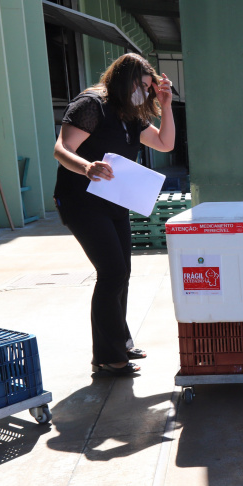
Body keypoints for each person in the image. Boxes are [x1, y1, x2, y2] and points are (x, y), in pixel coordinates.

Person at [53, 53, 174, 375]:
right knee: (112, 273)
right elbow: (62, 149)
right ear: (124, 80)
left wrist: (166, 105)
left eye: (148, 88)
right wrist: (86, 167)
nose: (144, 93)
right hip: (80, 201)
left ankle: (120, 341)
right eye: (141, 86)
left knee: (122, 273)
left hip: (114, 201)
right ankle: (107, 357)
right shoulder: (91, 105)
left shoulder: (130, 114)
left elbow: (165, 143)